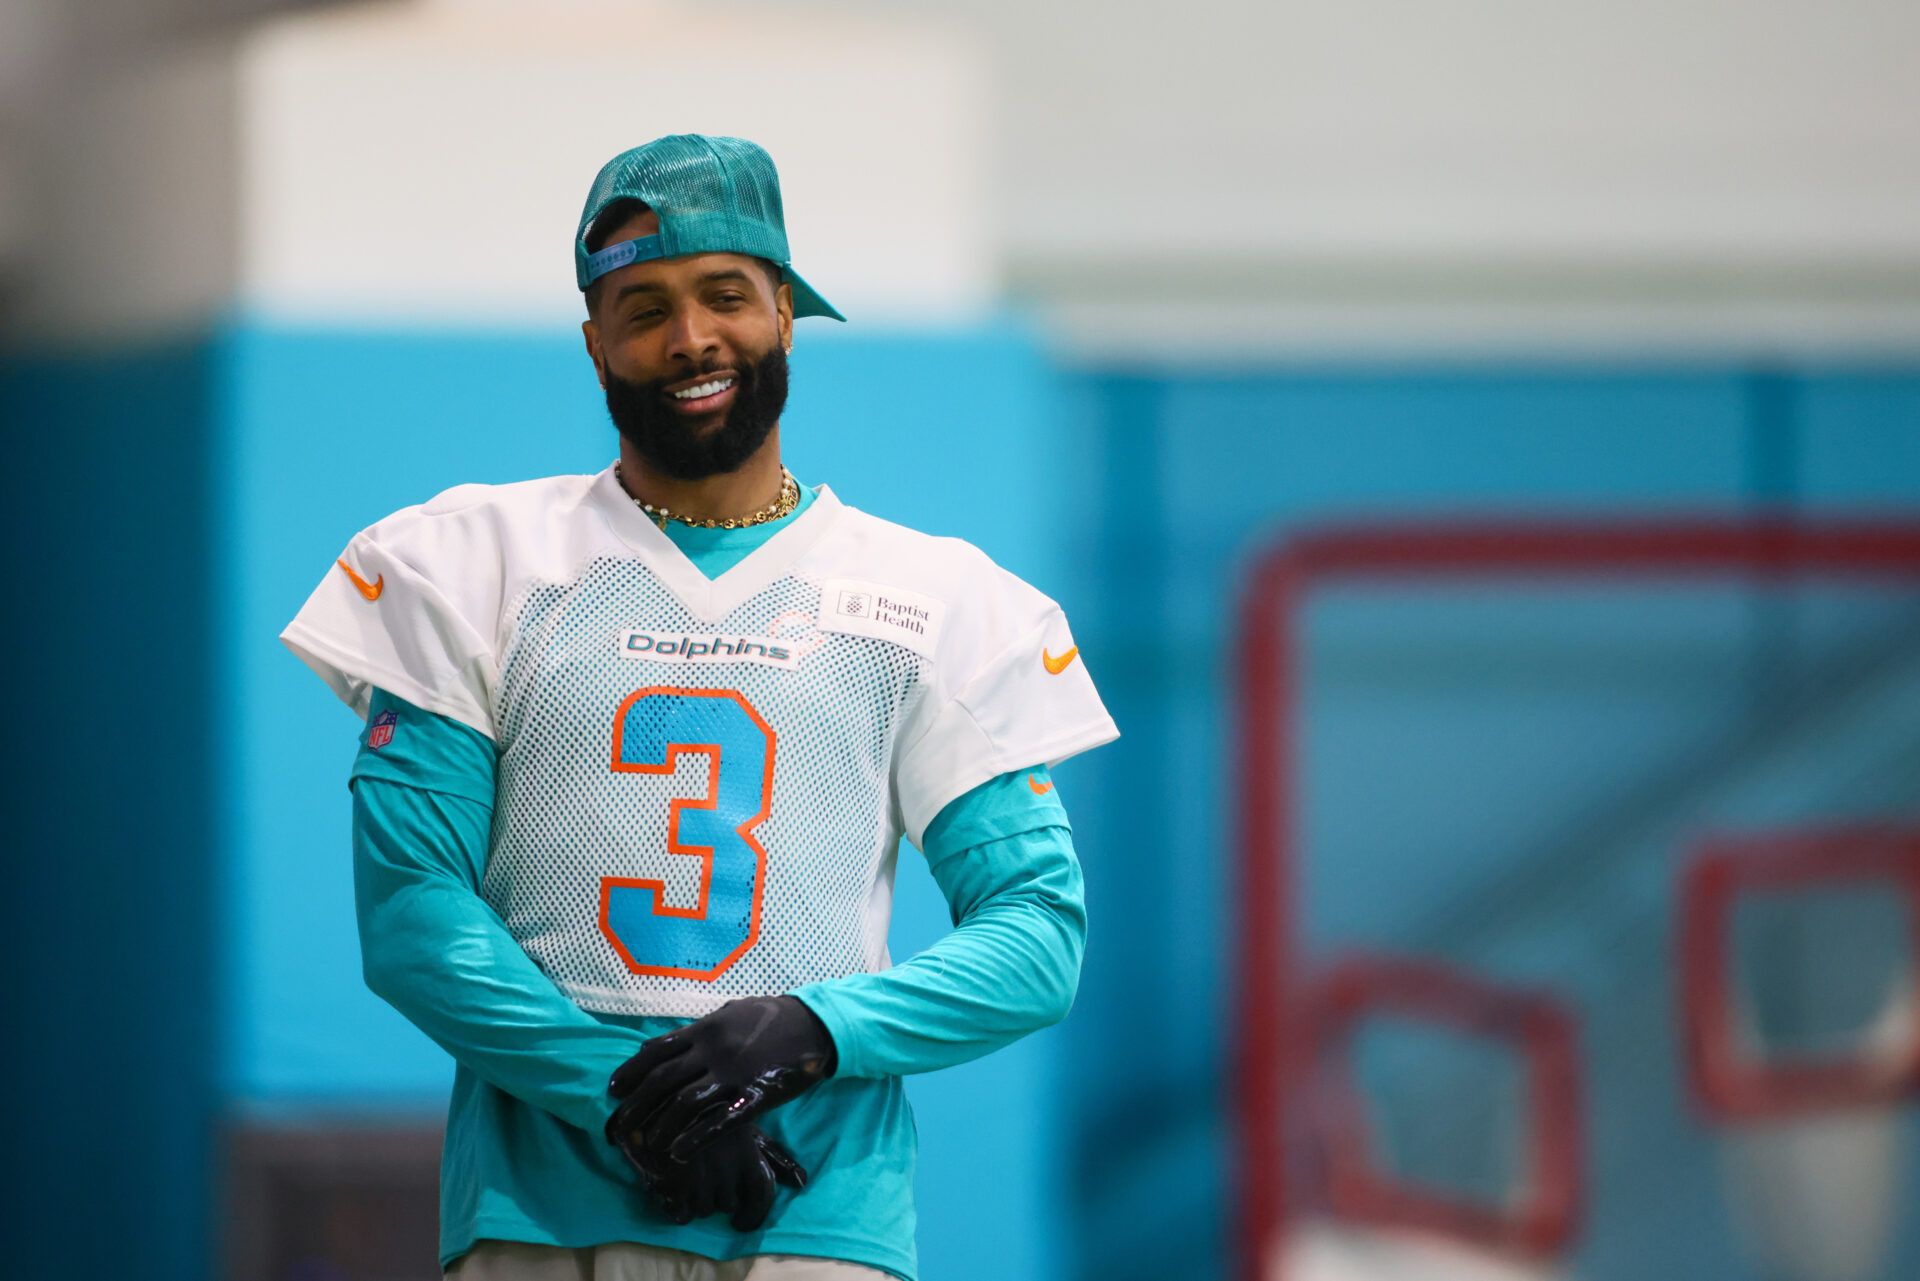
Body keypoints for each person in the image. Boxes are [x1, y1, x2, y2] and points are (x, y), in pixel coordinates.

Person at [281, 134, 1117, 1281]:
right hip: (543, 1211)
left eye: (725, 294)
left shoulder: (934, 599)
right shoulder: (471, 566)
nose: (690, 338)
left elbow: (1036, 938)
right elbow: (415, 917)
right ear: (595, 345)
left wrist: (814, 1031)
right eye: (644, 307)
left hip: (815, 1213)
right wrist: (632, 1103)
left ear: (784, 308)